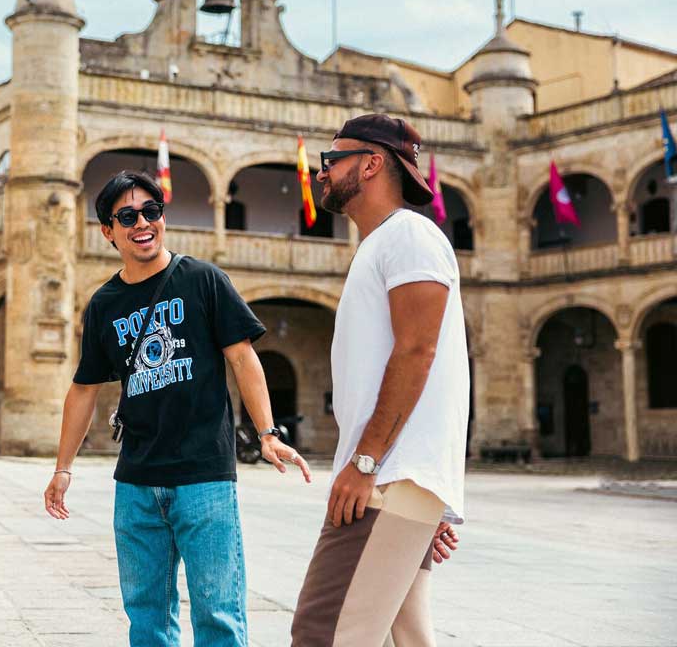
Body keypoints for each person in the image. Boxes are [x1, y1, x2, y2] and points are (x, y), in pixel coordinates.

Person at [44, 170, 312, 647]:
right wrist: (64, 468)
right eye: (127, 216)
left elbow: (243, 357)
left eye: (152, 211)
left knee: (219, 615)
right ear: (108, 230)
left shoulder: (204, 280)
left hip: (204, 477)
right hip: (136, 482)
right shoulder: (104, 303)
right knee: (146, 619)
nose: (142, 223)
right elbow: (84, 389)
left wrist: (268, 433)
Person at [291, 114, 469, 647]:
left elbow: (418, 350)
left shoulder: (409, 235)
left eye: (331, 160)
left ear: (370, 163)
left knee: (324, 633)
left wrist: (367, 461)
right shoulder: (382, 244)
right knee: (406, 637)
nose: (322, 173)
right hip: (399, 485)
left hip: (385, 479)